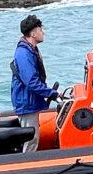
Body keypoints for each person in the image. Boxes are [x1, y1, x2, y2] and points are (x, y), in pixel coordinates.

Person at [10, 14, 59, 151]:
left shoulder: (31, 50)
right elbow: (31, 81)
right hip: (26, 103)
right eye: (40, 29)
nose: (43, 32)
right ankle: (25, 167)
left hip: (30, 101)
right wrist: (52, 93)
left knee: (33, 138)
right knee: (31, 141)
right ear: (33, 33)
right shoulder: (24, 54)